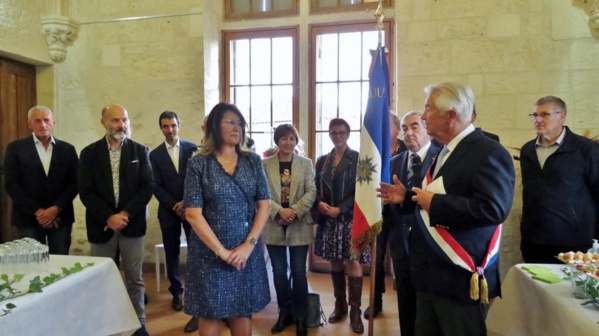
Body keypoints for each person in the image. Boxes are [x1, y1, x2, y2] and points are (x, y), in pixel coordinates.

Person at [378, 82, 515, 336]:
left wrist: (436, 204)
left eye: (428, 109)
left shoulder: (488, 152)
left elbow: (494, 209)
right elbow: (438, 193)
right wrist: (407, 197)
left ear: (451, 115)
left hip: (458, 278)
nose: (424, 115)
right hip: (431, 274)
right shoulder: (446, 151)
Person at [183, 102, 271, 336]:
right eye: (230, 122)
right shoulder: (199, 163)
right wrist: (222, 252)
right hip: (210, 254)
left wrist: (247, 246)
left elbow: (265, 204)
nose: (237, 128)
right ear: (214, 126)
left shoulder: (252, 161)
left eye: (240, 123)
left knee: (242, 309)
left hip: (246, 251)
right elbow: (192, 213)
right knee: (211, 311)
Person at [78, 104, 154, 336]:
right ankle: (105, 323)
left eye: (124, 120)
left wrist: (124, 214)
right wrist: (108, 217)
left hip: (132, 225)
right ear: (103, 123)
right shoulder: (89, 153)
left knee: (135, 279)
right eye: (115, 120)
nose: (121, 125)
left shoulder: (140, 152)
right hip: (101, 225)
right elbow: (86, 190)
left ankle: (137, 323)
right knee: (101, 278)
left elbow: (147, 186)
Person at [520, 96, 599, 263]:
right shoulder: (527, 150)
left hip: (573, 242)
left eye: (544, 114)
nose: (538, 120)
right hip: (533, 240)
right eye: (534, 115)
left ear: (562, 116)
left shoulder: (585, 149)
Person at [314, 118, 368, 334]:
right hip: (329, 219)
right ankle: (340, 306)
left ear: (348, 134)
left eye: (342, 132)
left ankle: (355, 312)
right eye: (334, 132)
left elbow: (361, 190)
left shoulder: (358, 159)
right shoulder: (322, 160)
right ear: (329, 135)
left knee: (352, 262)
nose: (338, 136)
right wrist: (319, 203)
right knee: (335, 261)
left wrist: (341, 208)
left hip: (350, 218)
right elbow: (314, 187)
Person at [262, 124, 317, 336]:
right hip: (274, 222)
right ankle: (284, 313)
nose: (288, 142)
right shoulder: (265, 164)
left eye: (292, 139)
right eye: (283, 138)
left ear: (296, 141)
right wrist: (279, 212)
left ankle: (301, 316)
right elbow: (261, 192)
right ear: (277, 141)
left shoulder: (305, 163)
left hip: (299, 222)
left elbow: (311, 191)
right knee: (278, 272)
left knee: (298, 272)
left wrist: (293, 211)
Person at [387, 111, 438, 336]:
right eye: (405, 128)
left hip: (431, 245)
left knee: (428, 309)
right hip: (401, 243)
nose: (408, 133)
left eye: (415, 127)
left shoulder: (440, 159)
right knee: (405, 302)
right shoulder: (393, 163)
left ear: (427, 129)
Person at [3, 105, 78, 254]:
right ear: (29, 124)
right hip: (28, 217)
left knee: (61, 261)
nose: (43, 125)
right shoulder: (16, 148)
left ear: (53, 123)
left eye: (46, 120)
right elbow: (12, 183)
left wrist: (55, 209)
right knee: (32, 264)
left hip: (60, 217)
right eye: (37, 121)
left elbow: (75, 182)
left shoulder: (67, 149)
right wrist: (38, 212)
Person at [149, 111, 199, 333]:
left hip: (192, 209)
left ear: (179, 125)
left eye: (173, 125)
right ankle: (176, 292)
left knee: (196, 251)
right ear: (160, 128)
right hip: (168, 211)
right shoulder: (154, 154)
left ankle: (195, 293)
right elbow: (155, 185)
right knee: (172, 252)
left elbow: (197, 179)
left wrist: (186, 202)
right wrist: (174, 205)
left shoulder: (193, 149)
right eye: (165, 126)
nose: (170, 130)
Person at [364, 111, 406, 319]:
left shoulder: (408, 151)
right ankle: (375, 301)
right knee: (376, 258)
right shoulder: (373, 151)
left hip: (402, 214)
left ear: (398, 129)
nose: (382, 128)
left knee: (401, 258)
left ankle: (407, 303)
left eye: (387, 124)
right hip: (378, 212)